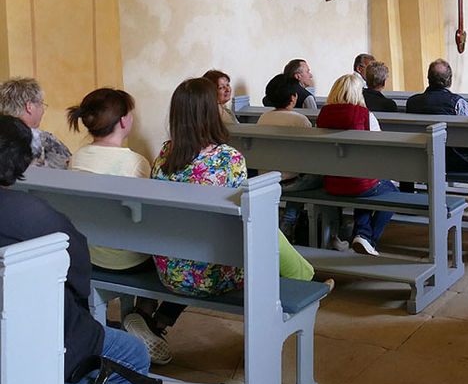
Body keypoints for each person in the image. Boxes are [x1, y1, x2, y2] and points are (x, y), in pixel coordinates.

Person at [0, 115, 150, 384]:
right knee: (136, 354)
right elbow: (78, 266)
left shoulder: (77, 161)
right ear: (21, 160)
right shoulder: (30, 213)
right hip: (31, 338)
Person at [152, 78, 326, 295]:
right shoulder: (228, 158)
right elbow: (242, 218)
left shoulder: (164, 155)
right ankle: (305, 280)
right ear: (211, 112)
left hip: (170, 268)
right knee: (261, 222)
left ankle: (305, 276)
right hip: (212, 272)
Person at [67, 87, 181, 365]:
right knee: (174, 254)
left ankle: (135, 323)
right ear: (123, 121)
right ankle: (142, 314)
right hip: (128, 261)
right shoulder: (135, 163)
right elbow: (152, 217)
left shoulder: (76, 159)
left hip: (89, 255)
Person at [316, 74, 395, 256]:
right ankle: (367, 238)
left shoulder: (323, 115)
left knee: (366, 184)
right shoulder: (365, 115)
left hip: (332, 181)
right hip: (360, 183)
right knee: (391, 191)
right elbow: (381, 149)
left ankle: (361, 234)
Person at [406, 59, 468, 222]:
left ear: (428, 78)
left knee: (431, 155)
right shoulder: (457, 103)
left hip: (422, 159)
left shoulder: (412, 102)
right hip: (457, 160)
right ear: (449, 81)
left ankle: (433, 201)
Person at [257, 74, 321, 241]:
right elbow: (310, 154)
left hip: (265, 179)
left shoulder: (263, 118)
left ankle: (285, 222)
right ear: (293, 98)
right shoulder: (300, 120)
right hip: (291, 182)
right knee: (317, 177)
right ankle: (289, 220)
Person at [0, 77, 70, 168]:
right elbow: (68, 167)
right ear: (29, 106)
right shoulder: (44, 141)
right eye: (41, 104)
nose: (43, 111)